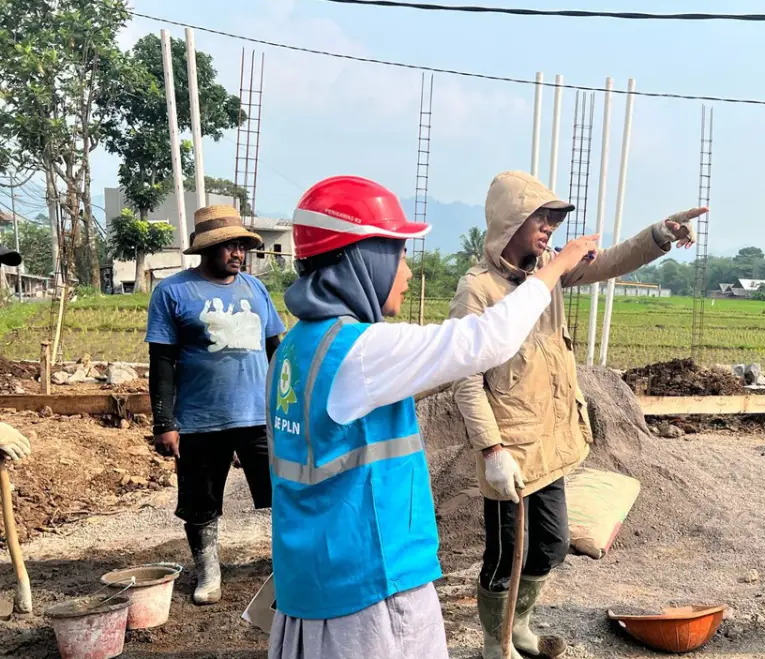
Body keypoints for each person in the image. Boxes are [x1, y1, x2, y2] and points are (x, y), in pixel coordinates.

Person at [265, 175, 600, 659]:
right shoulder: (359, 353)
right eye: (397, 255)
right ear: (365, 260)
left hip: (312, 585)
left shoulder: (293, 351)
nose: (405, 272)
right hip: (373, 591)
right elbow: (488, 341)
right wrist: (559, 266)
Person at [449, 170, 708, 659]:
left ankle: (519, 623)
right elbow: (465, 379)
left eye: (552, 219)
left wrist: (659, 235)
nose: (548, 228)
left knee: (550, 544)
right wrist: (491, 448)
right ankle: (495, 640)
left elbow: (609, 262)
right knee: (505, 555)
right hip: (512, 448)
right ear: (510, 221)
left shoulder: (550, 272)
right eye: (539, 218)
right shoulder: (478, 290)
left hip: (554, 440)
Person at [145, 204, 286, 605]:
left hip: (259, 416)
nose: (237, 253)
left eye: (241, 245)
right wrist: (164, 421)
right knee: (200, 501)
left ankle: (289, 562)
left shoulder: (256, 290)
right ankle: (208, 569)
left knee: (282, 490)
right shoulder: (172, 292)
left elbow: (277, 351)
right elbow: (162, 363)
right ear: (205, 249)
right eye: (227, 246)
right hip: (199, 420)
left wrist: (289, 405)